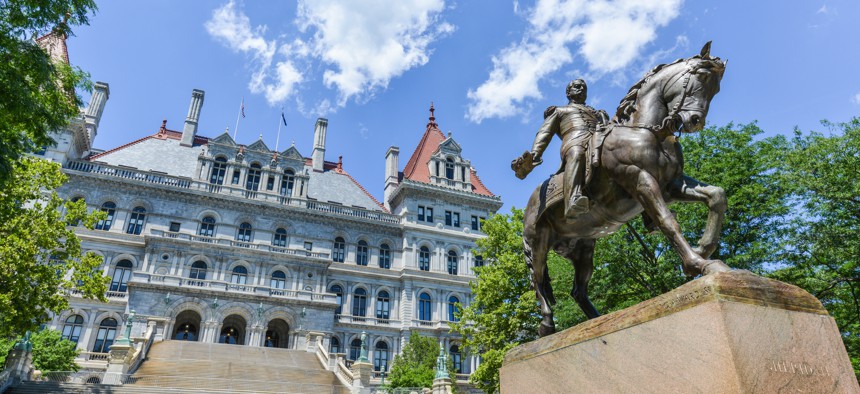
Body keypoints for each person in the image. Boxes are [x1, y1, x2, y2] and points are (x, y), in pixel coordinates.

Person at [529, 79, 608, 219]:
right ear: (568, 92)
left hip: (598, 140)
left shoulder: (597, 113)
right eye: (577, 86)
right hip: (575, 141)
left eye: (584, 87)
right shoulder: (559, 111)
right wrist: (535, 154)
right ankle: (572, 200)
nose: (581, 89)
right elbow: (545, 133)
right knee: (577, 154)